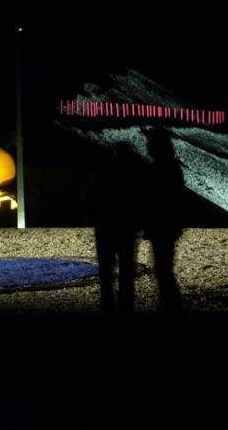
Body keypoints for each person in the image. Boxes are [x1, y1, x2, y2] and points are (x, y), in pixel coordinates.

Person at [88, 141, 148, 316]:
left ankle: (109, 310)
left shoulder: (104, 172)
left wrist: (93, 217)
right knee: (126, 272)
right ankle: (125, 310)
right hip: (126, 228)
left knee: (106, 272)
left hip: (106, 227)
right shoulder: (135, 175)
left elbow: (93, 197)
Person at [143, 127, 185, 313]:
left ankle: (172, 309)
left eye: (150, 143)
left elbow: (157, 200)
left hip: (162, 225)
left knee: (163, 270)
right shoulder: (172, 167)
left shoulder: (159, 168)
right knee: (163, 269)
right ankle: (171, 307)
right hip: (167, 225)